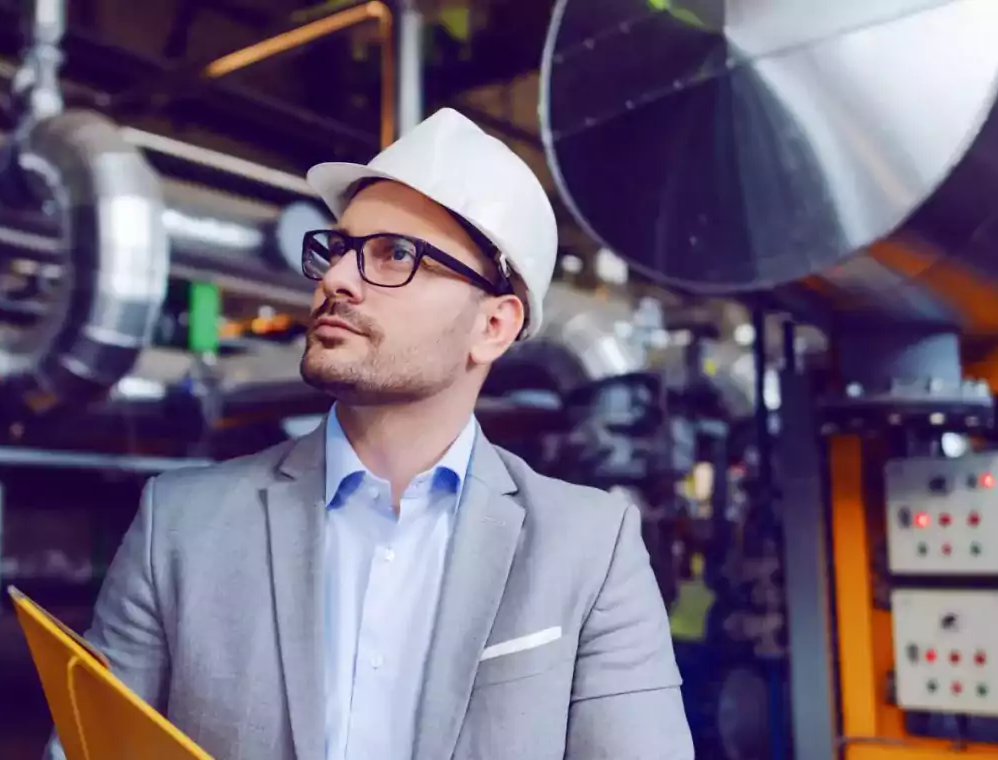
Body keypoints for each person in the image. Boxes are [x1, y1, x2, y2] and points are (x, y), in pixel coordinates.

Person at [80, 108, 692, 759]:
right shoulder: (178, 527)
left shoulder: (590, 548)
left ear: (494, 326)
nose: (337, 280)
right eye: (339, 250)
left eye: (396, 254)